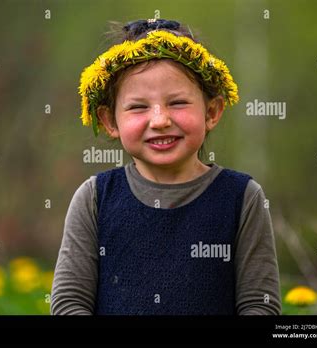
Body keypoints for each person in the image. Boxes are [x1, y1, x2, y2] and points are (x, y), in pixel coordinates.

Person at [51, 19, 281, 315]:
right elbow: (70, 304)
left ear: (212, 112)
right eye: (138, 107)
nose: (159, 120)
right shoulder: (95, 198)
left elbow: (259, 306)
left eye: (177, 103)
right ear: (109, 121)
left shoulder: (242, 197)